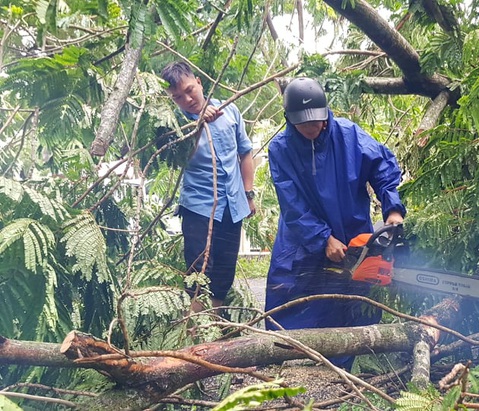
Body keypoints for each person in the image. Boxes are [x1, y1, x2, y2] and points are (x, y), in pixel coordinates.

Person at [265, 77, 406, 369]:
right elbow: (291, 203)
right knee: (293, 296)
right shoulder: (281, 148)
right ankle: (287, 358)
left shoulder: (349, 135)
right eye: (303, 123)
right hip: (302, 235)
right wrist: (322, 238)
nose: (311, 128)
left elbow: (383, 167)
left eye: (315, 121)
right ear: (290, 119)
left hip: (352, 229)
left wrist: (392, 209)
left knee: (354, 299)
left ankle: (351, 361)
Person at [160, 61, 256, 312]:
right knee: (199, 271)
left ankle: (213, 330)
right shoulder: (174, 125)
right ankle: (195, 331)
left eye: (190, 90)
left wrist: (249, 194)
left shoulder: (230, 111)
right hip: (198, 208)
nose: (187, 99)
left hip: (233, 206)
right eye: (178, 97)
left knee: (224, 271)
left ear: (199, 83)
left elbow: (245, 153)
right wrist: (197, 124)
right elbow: (175, 157)